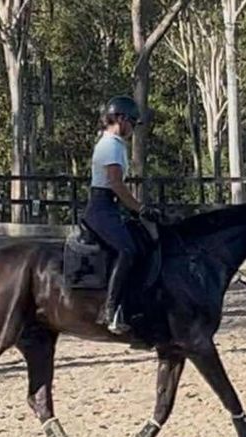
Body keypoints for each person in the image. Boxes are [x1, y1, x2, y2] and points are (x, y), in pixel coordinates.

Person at [82, 95, 159, 334]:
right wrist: (140, 208)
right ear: (121, 119)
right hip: (101, 208)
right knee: (127, 250)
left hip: (111, 207)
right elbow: (115, 183)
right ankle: (111, 310)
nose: (133, 128)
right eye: (133, 123)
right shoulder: (110, 145)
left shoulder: (115, 144)